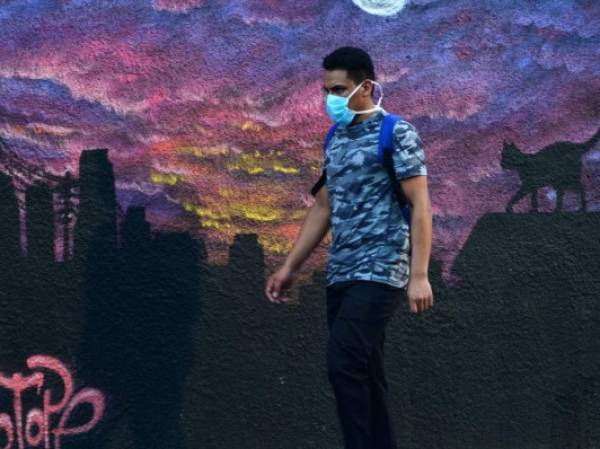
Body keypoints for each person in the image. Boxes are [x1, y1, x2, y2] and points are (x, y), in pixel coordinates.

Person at [265, 46, 433, 449]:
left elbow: (421, 204)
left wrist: (420, 275)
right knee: (365, 371)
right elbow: (324, 205)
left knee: (343, 364)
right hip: (342, 271)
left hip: (381, 269)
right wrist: (290, 267)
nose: (331, 99)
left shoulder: (397, 132)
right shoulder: (336, 138)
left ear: (367, 86)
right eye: (326, 90)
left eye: (339, 89)